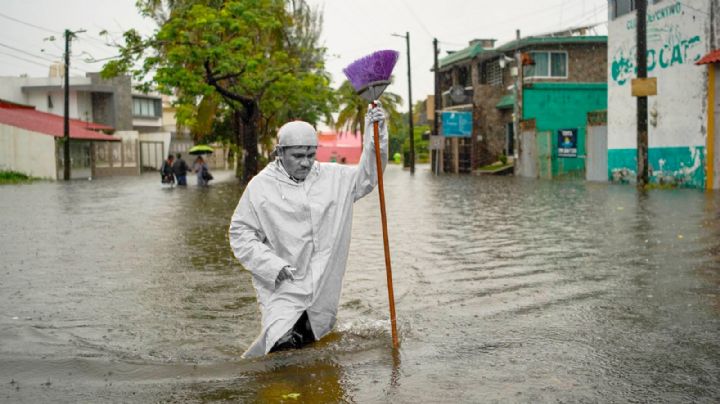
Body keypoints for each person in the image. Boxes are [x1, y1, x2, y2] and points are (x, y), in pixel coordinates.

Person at [229, 103, 388, 358]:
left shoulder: (334, 178)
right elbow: (240, 233)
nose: (305, 163)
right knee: (281, 343)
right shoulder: (260, 187)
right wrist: (271, 265)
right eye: (298, 156)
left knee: (311, 346)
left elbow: (369, 176)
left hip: (324, 284)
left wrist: (376, 133)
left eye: (311, 154)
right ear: (279, 153)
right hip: (283, 285)